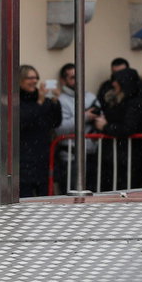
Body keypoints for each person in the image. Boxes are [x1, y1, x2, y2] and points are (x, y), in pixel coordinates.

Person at [88, 66, 142, 190]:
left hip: (126, 157)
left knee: (125, 189)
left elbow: (128, 128)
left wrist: (105, 127)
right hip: (115, 156)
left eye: (117, 81)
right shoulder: (117, 100)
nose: (113, 84)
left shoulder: (134, 103)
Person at [16, 64, 61, 198]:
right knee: (25, 197)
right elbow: (23, 121)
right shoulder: (16, 99)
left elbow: (56, 122)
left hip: (43, 155)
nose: (34, 81)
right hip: (23, 156)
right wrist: (39, 103)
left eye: (36, 78)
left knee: (45, 197)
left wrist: (55, 102)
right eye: (29, 78)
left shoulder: (43, 98)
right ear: (20, 80)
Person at [54, 62, 97, 194]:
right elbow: (60, 129)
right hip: (71, 157)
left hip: (92, 154)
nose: (77, 80)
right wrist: (85, 117)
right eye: (73, 77)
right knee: (71, 196)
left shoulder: (91, 97)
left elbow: (102, 119)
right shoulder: (60, 100)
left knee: (94, 195)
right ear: (63, 80)